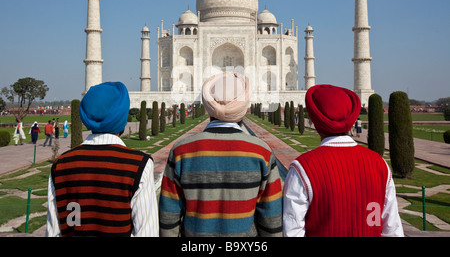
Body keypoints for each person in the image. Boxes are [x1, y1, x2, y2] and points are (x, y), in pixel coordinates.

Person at [159, 73, 283, 237]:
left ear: (208, 105)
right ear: (243, 106)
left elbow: (169, 216)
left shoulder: (182, 150)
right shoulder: (262, 152)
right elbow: (271, 219)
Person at [283, 84, 404, 237]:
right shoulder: (379, 164)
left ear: (314, 121)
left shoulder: (303, 167)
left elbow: (292, 231)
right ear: (351, 120)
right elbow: (392, 228)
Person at [46, 82, 159, 237]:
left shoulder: (61, 165)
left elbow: (53, 232)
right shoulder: (138, 165)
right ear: (122, 118)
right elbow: (147, 233)